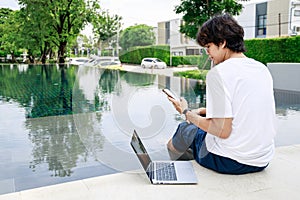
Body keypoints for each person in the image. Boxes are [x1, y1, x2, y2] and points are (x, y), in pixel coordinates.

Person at [166, 13, 276, 175]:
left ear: (222, 43)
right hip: (261, 160)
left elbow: (221, 130)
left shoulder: (219, 73)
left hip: (228, 161)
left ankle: (177, 174)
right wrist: (204, 111)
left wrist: (186, 112)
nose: (207, 53)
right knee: (195, 130)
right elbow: (243, 110)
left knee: (184, 129)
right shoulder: (261, 69)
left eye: (208, 47)